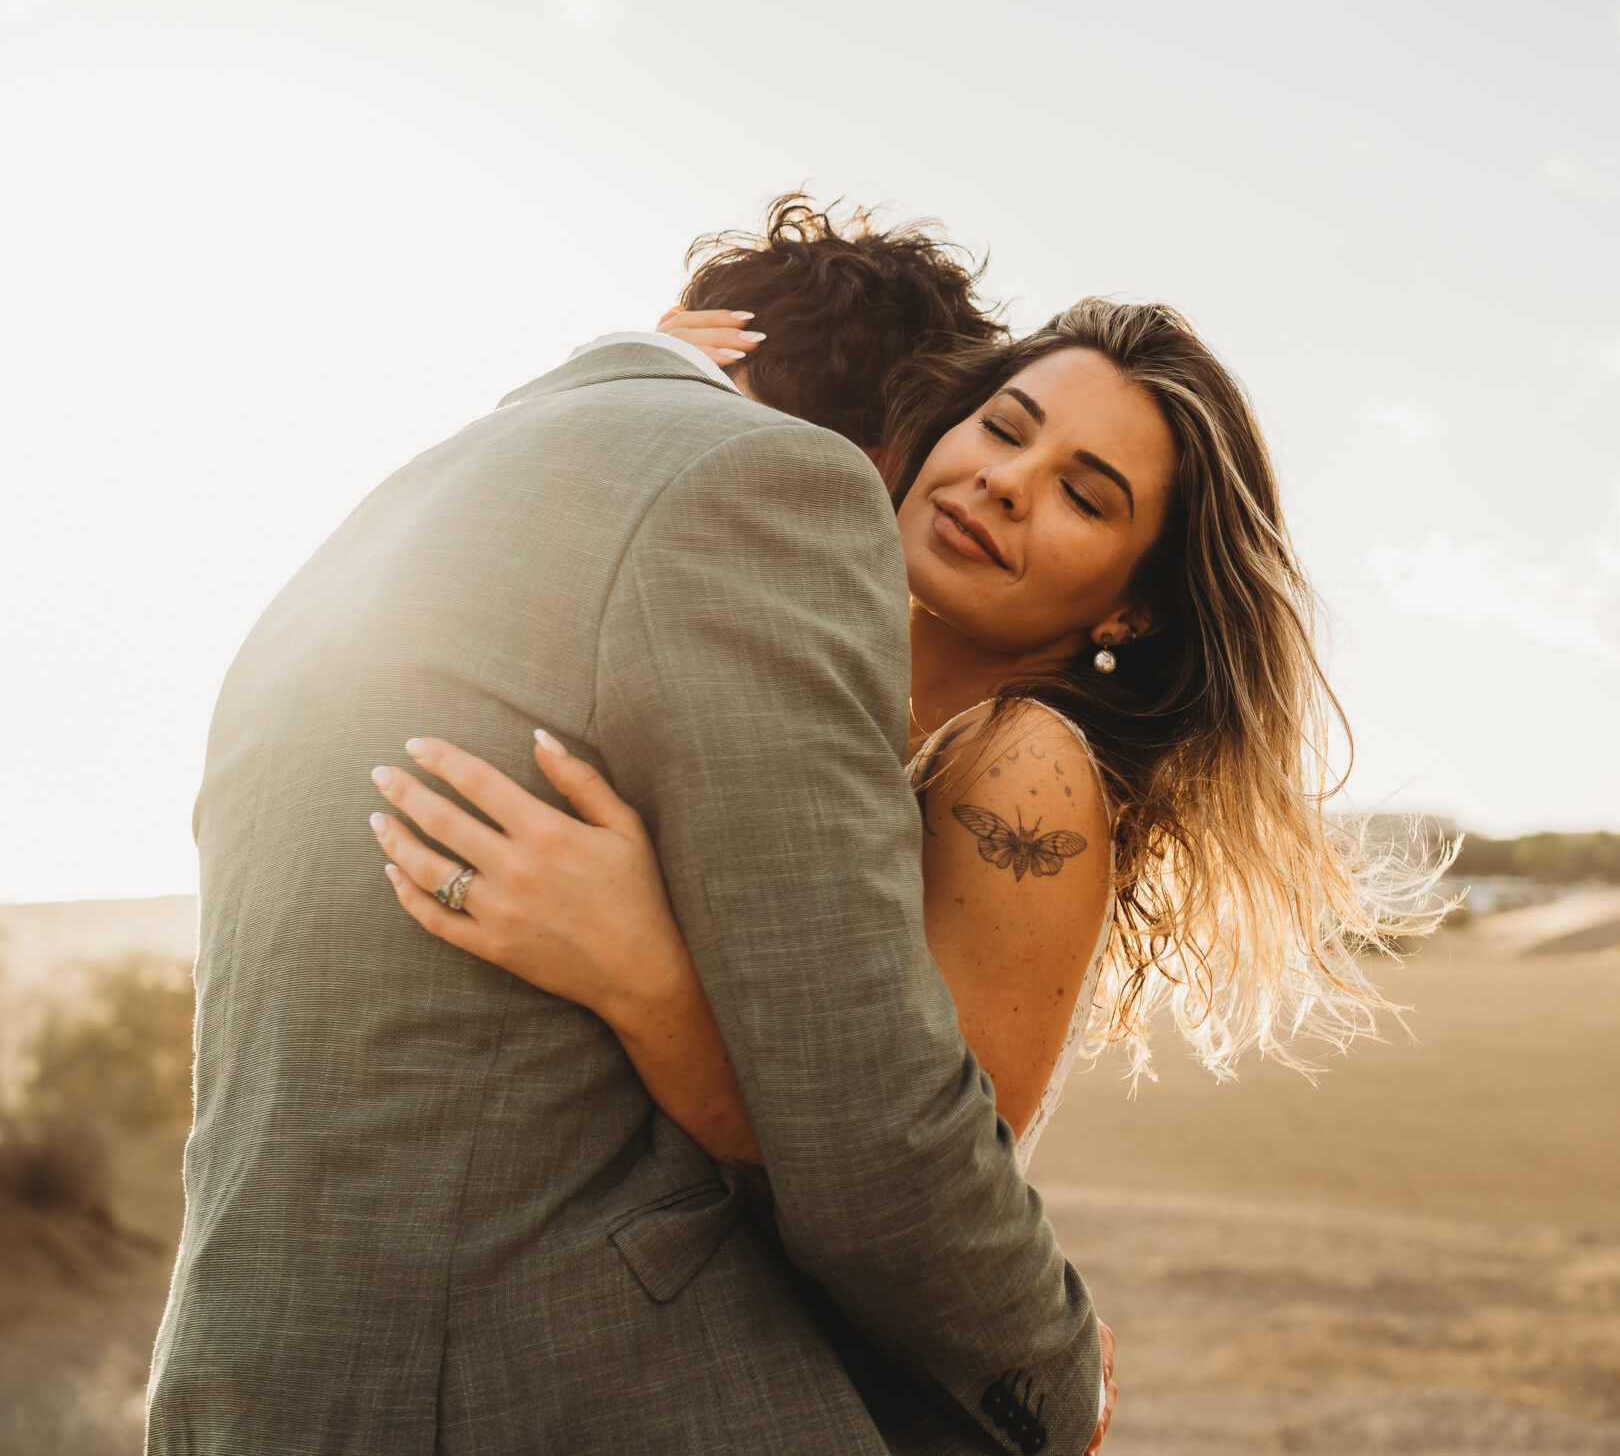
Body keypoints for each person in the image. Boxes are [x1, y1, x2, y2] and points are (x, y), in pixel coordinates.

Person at [360, 298, 1445, 1432]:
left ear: (1133, 605)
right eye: (1004, 428)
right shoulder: (811, 698)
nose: (1008, 481)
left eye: (1085, 494)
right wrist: (648, 373)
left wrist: (634, 970)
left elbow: (903, 1175)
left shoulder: (1026, 768)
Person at [149, 198, 1106, 1456]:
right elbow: (865, 1104)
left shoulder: (388, 513)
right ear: (895, 443)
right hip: (529, 1386)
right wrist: (1047, 1371)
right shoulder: (772, 479)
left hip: (240, 1376)